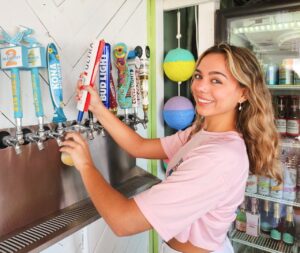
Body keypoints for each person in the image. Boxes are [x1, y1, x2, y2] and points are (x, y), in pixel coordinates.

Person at [60, 43, 282, 253]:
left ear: (243, 93)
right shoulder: (201, 131)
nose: (200, 87)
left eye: (216, 81)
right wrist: (97, 108)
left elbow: (123, 222)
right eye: (198, 76)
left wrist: (86, 165)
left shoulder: (220, 157)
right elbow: (140, 147)